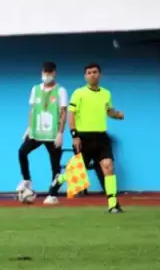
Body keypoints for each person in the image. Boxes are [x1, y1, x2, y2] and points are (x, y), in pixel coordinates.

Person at [51, 63, 125, 213]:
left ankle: (113, 204)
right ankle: (59, 179)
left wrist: (117, 115)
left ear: (100, 74)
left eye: (95, 72)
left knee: (108, 166)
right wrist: (74, 135)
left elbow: (109, 111)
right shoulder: (79, 93)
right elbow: (71, 114)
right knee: (79, 172)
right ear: (85, 76)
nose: (92, 75)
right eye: (89, 73)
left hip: (101, 137)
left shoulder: (106, 93)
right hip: (83, 138)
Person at [17, 61, 68, 205]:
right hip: (37, 132)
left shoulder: (60, 91)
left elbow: (63, 112)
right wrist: (28, 128)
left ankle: (52, 194)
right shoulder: (35, 89)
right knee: (22, 152)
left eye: (50, 72)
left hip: (52, 134)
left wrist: (61, 133)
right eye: (45, 72)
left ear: (54, 73)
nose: (47, 75)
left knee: (55, 165)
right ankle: (27, 180)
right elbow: (32, 110)